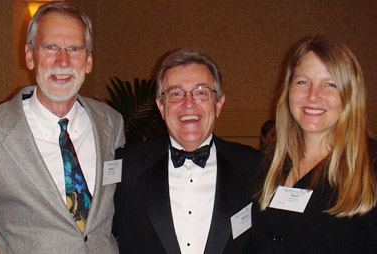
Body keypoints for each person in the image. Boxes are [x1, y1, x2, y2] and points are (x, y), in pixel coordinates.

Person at [0, 2, 125, 253]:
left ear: (88, 61)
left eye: (75, 49)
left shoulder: (111, 123)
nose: (63, 60)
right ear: (29, 55)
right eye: (50, 47)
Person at [113, 49, 261, 254]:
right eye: (175, 94)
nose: (189, 104)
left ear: (218, 104)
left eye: (201, 92)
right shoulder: (126, 166)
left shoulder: (256, 167)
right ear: (161, 107)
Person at [252, 37, 377, 253]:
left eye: (330, 84)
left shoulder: (371, 168)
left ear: (349, 94)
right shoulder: (268, 165)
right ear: (288, 89)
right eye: (303, 82)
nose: (313, 96)